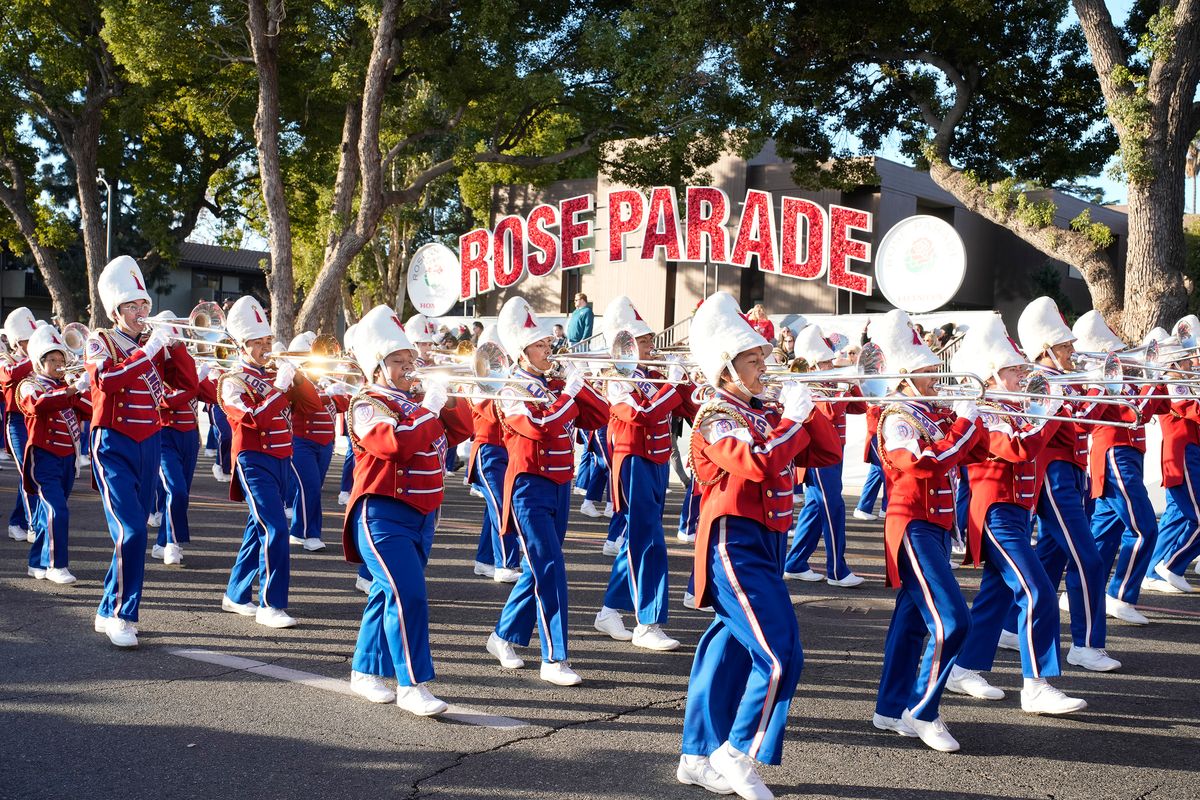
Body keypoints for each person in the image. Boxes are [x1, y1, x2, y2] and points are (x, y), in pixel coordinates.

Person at [677, 291, 840, 799]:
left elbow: (826, 453)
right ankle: (736, 752)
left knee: (726, 653)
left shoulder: (761, 409)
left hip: (767, 544)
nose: (764, 366)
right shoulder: (713, 415)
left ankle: (696, 754)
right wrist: (790, 419)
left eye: (762, 357)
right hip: (734, 543)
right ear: (726, 368)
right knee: (779, 656)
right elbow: (759, 463)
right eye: (753, 359)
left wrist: (807, 409)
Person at [943, 316, 1087, 715]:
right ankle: (1036, 684)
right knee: (1037, 590)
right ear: (991, 374)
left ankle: (964, 666)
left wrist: (1051, 408)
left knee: (998, 593)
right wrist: (1047, 410)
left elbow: (1052, 441)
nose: (1022, 374)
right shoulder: (983, 410)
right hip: (994, 513)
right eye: (1013, 369)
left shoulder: (1015, 407)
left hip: (1017, 513)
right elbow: (1019, 450)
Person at [342, 304, 471, 716]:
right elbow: (392, 446)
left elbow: (463, 429)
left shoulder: (414, 400)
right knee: (409, 595)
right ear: (378, 366)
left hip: (422, 512)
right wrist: (428, 407)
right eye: (398, 361)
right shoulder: (367, 402)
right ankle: (411, 684)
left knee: (387, 593)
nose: (407, 368)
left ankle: (364, 670)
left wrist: (446, 393)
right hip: (382, 512)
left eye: (409, 360)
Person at [871, 308, 986, 753]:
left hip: (936, 526)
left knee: (912, 623)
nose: (936, 375)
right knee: (955, 620)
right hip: (912, 524)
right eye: (926, 370)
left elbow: (972, 455)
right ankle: (923, 709)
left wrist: (1000, 415)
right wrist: (964, 422)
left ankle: (890, 707)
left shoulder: (930, 413)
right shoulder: (897, 417)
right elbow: (924, 463)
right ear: (904, 375)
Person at [485, 296, 609, 686]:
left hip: (559, 485)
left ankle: (502, 635)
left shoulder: (551, 384)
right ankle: (554, 658)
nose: (548, 350)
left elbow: (600, 415)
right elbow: (540, 428)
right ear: (522, 352)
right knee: (551, 567)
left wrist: (577, 383)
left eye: (547, 344)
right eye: (540, 346)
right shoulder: (510, 388)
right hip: (527, 488)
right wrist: (569, 395)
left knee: (540, 568)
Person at [88, 255, 197, 648]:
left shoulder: (154, 346)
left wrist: (176, 347)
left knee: (129, 533)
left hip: (150, 441)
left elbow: (186, 391)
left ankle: (106, 606)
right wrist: (149, 351)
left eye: (144, 305)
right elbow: (106, 381)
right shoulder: (99, 340)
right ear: (117, 311)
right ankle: (123, 614)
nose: (140, 312)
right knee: (132, 529)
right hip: (113, 442)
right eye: (132, 306)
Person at [592, 296, 697, 652]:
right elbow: (641, 415)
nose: (652, 344)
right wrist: (671, 383)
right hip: (632, 460)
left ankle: (609, 610)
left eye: (650, 338)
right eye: (644, 339)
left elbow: (693, 408)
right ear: (624, 343)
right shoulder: (615, 375)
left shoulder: (651, 375)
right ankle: (647, 622)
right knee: (649, 541)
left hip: (655, 461)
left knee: (640, 538)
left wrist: (693, 382)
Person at [217, 296, 322, 629]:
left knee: (257, 528)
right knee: (275, 528)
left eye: (267, 341)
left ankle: (235, 595)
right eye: (257, 343)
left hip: (281, 459)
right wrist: (278, 387)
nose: (265, 348)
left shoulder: (276, 374)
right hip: (253, 460)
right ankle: (270, 603)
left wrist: (300, 377)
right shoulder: (232, 381)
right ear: (242, 346)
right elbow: (254, 421)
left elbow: (315, 407)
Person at [1075, 310, 1167, 626]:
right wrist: (1151, 378)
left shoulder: (1121, 374)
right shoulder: (1098, 376)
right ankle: (1120, 595)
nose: (1125, 356)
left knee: (1103, 533)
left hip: (1129, 454)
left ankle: (1081, 591)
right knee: (1144, 528)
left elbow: (1162, 406)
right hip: (1114, 452)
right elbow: (1135, 412)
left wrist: (1157, 374)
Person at [784, 325, 868, 587]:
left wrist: (852, 385)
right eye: (824, 362)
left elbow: (859, 408)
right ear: (810, 365)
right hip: (819, 456)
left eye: (830, 360)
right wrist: (840, 389)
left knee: (815, 509)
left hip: (833, 452)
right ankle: (836, 570)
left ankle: (795, 563)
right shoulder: (805, 387)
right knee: (833, 509)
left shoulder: (830, 384)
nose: (831, 365)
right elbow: (827, 415)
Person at [19, 324, 91, 584]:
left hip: (67, 460)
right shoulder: (30, 385)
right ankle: (55, 565)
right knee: (57, 511)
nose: (59, 364)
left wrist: (85, 386)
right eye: (53, 359)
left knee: (47, 513)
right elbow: (39, 405)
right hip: (44, 457)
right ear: (41, 362)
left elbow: (92, 410)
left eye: (62, 359)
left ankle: (35, 562)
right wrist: (71, 390)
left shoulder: (66, 387)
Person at [150, 311, 215, 566]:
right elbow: (161, 400)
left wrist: (203, 378)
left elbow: (212, 396)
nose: (177, 335)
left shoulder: (185, 360)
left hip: (189, 436)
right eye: (172, 329)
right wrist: (192, 385)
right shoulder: (155, 362)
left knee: (180, 493)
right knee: (175, 490)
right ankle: (172, 543)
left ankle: (161, 541)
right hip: (164, 434)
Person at [1145, 319, 1200, 593]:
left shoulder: (1186, 383)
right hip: (1182, 456)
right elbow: (1195, 413)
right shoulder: (1174, 385)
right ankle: (1171, 566)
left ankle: (1153, 569)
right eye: (1187, 360)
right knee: (1193, 517)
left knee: (1176, 516)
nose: (1192, 363)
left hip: (1188, 454)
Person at [285, 331, 352, 552]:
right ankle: (306, 533)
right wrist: (327, 395)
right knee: (310, 487)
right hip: (301, 441)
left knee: (312, 488)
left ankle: (299, 530)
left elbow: (344, 405)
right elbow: (307, 404)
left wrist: (336, 390)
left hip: (325, 443)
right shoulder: (294, 383)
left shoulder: (326, 379)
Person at [466, 324, 521, 583]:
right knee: (502, 506)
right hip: (488, 452)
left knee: (494, 509)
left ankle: (485, 560)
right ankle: (506, 563)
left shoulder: (507, 380)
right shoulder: (477, 383)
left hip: (507, 451)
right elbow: (492, 413)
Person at [1, 307, 38, 542]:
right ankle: (32, 524)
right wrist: (36, 356)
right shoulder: (5, 360)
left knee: (32, 474)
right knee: (28, 471)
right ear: (17, 342)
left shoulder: (38, 359)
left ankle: (18, 521)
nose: (31, 344)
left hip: (36, 421)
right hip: (16, 422)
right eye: (27, 341)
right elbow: (11, 374)